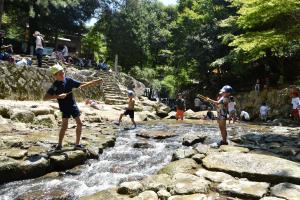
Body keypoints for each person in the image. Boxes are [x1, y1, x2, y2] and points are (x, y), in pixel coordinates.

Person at [43, 64, 103, 150]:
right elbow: (45, 98)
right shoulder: (55, 85)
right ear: (55, 76)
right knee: (64, 126)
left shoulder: (69, 80)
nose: (62, 74)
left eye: (63, 72)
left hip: (73, 105)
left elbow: (81, 84)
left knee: (79, 123)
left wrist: (95, 82)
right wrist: (58, 96)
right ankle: (59, 145)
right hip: (63, 107)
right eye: (59, 73)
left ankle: (77, 144)